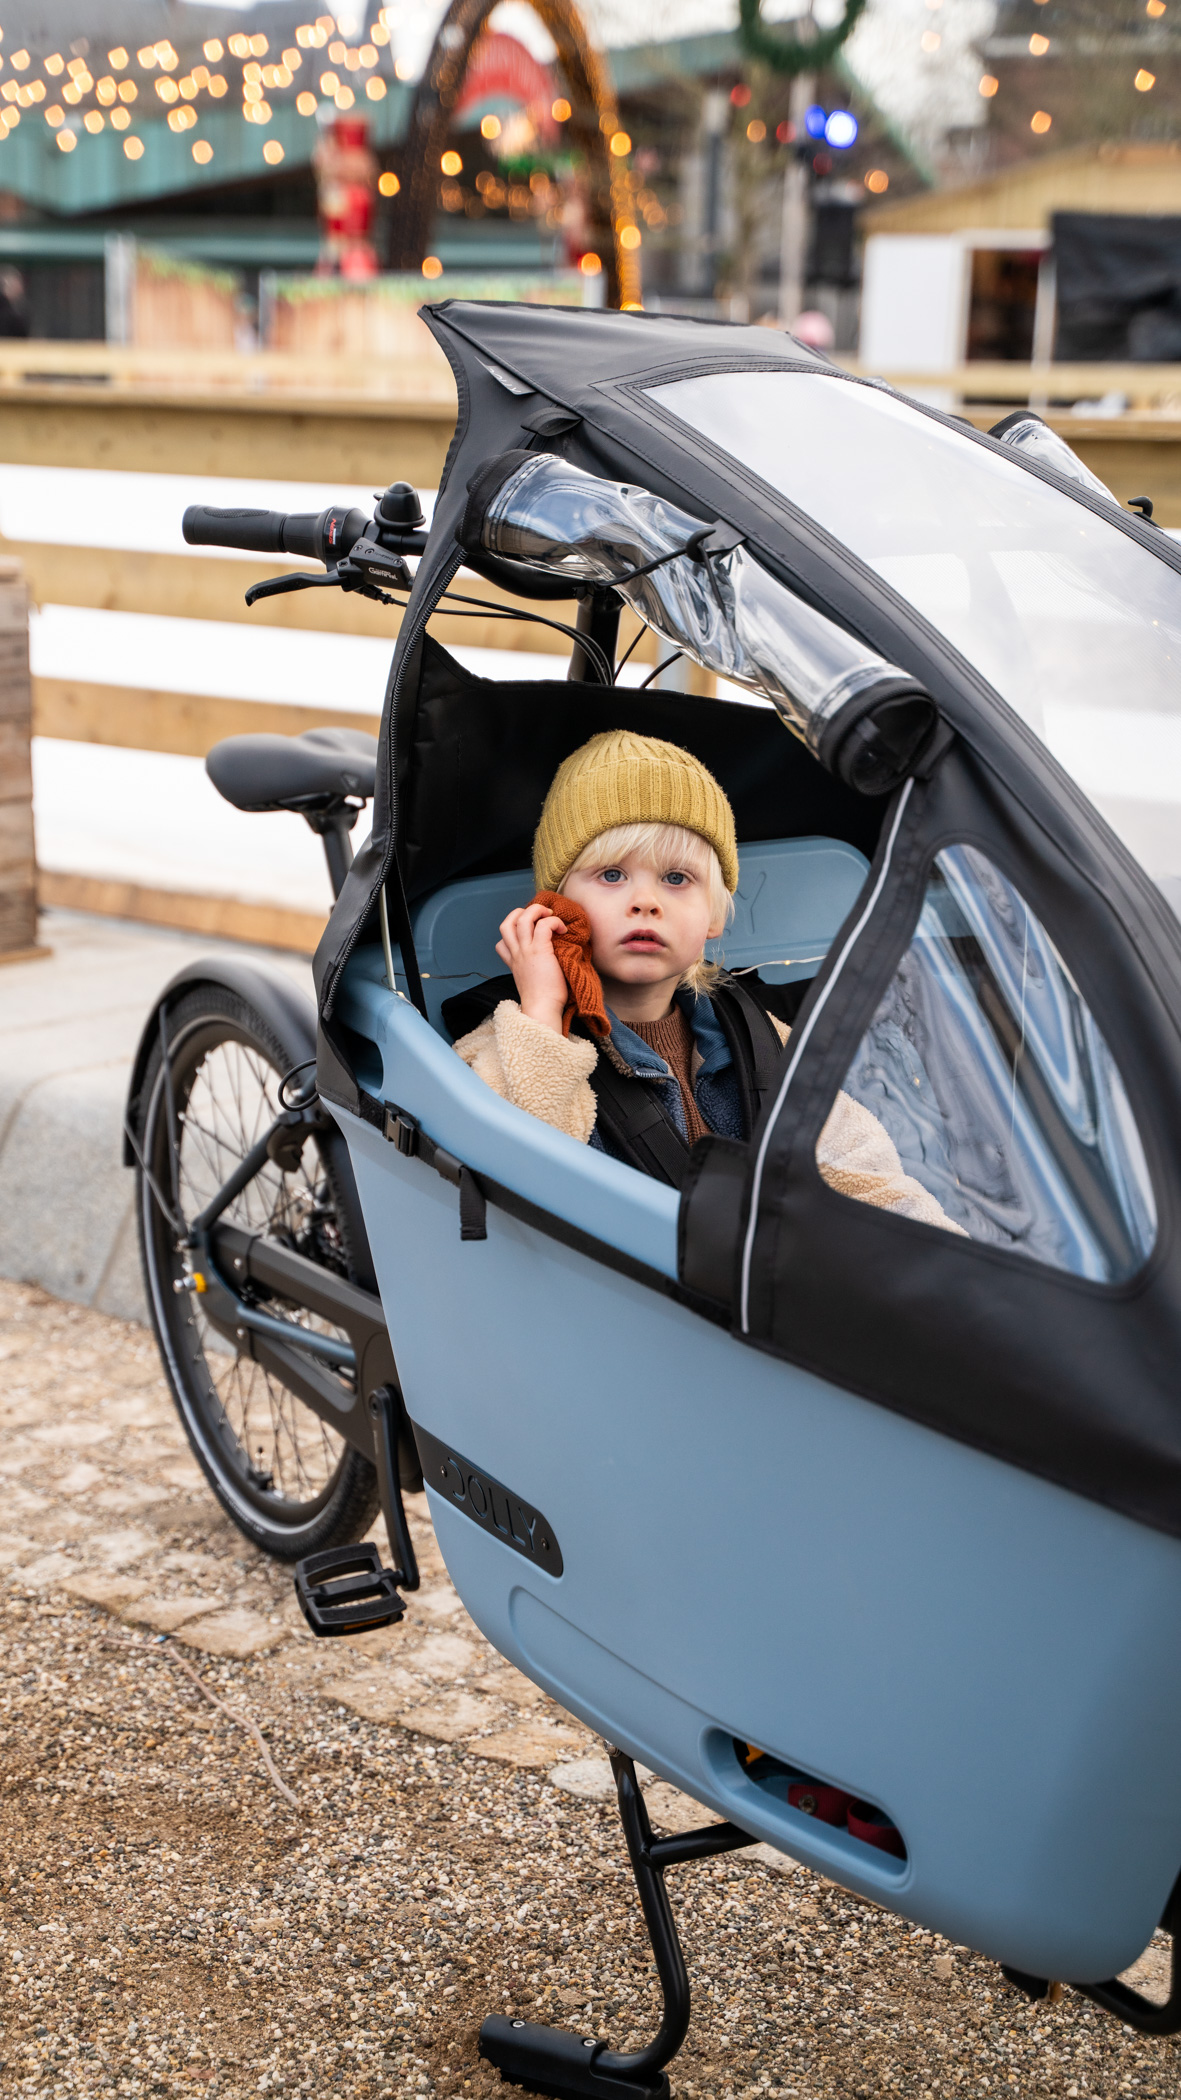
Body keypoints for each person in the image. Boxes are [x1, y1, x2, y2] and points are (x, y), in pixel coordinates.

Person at [451, 730, 961, 1229]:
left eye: (676, 878)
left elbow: (869, 1179)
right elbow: (525, 1181)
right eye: (611, 875)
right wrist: (543, 1009)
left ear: (713, 917)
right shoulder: (511, 1045)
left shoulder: (759, 1041)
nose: (645, 901)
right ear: (556, 907)